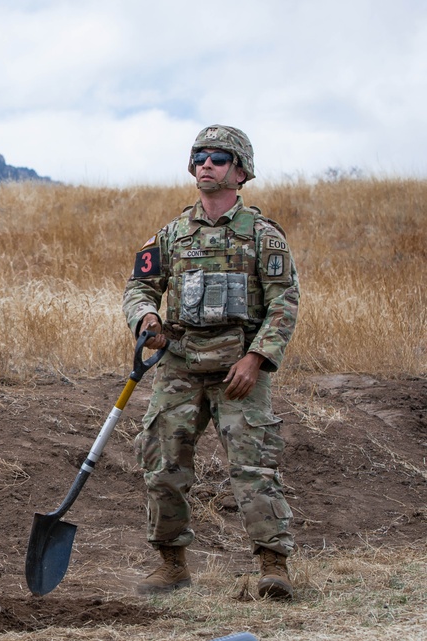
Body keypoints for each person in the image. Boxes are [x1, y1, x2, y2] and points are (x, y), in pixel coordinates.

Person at [121, 125, 300, 599]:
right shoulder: (172, 235)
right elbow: (138, 287)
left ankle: (273, 567)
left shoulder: (262, 235)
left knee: (253, 465)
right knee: (162, 461)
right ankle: (171, 564)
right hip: (179, 364)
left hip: (238, 369)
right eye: (199, 156)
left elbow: (285, 302)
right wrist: (147, 319)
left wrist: (257, 359)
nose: (206, 164)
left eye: (219, 158)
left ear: (240, 171)